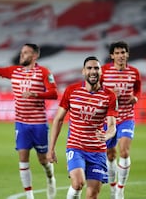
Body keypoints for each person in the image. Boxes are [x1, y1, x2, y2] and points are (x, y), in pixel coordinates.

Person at [0, 43, 57, 199]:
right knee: (23, 157)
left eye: (26, 53)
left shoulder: (43, 72)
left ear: (35, 56)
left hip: (38, 123)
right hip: (21, 123)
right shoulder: (14, 71)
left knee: (43, 160)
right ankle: (30, 196)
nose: (22, 55)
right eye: (22, 52)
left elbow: (54, 93)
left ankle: (50, 178)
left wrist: (36, 95)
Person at [47, 56, 118, 199]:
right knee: (78, 183)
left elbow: (112, 125)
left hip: (97, 151)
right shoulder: (72, 91)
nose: (93, 71)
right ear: (83, 71)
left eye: (96, 68)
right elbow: (58, 120)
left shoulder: (109, 96)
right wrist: (51, 148)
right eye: (89, 68)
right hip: (76, 146)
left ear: (101, 72)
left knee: (92, 195)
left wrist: (107, 135)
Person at [100, 41, 141, 199]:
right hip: (108, 119)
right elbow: (95, 92)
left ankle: (120, 189)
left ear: (127, 54)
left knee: (124, 151)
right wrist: (110, 95)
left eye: (123, 52)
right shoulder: (103, 71)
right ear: (112, 56)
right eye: (117, 53)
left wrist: (135, 98)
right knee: (110, 154)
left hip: (126, 117)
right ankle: (112, 188)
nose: (121, 55)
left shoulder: (134, 72)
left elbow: (137, 88)